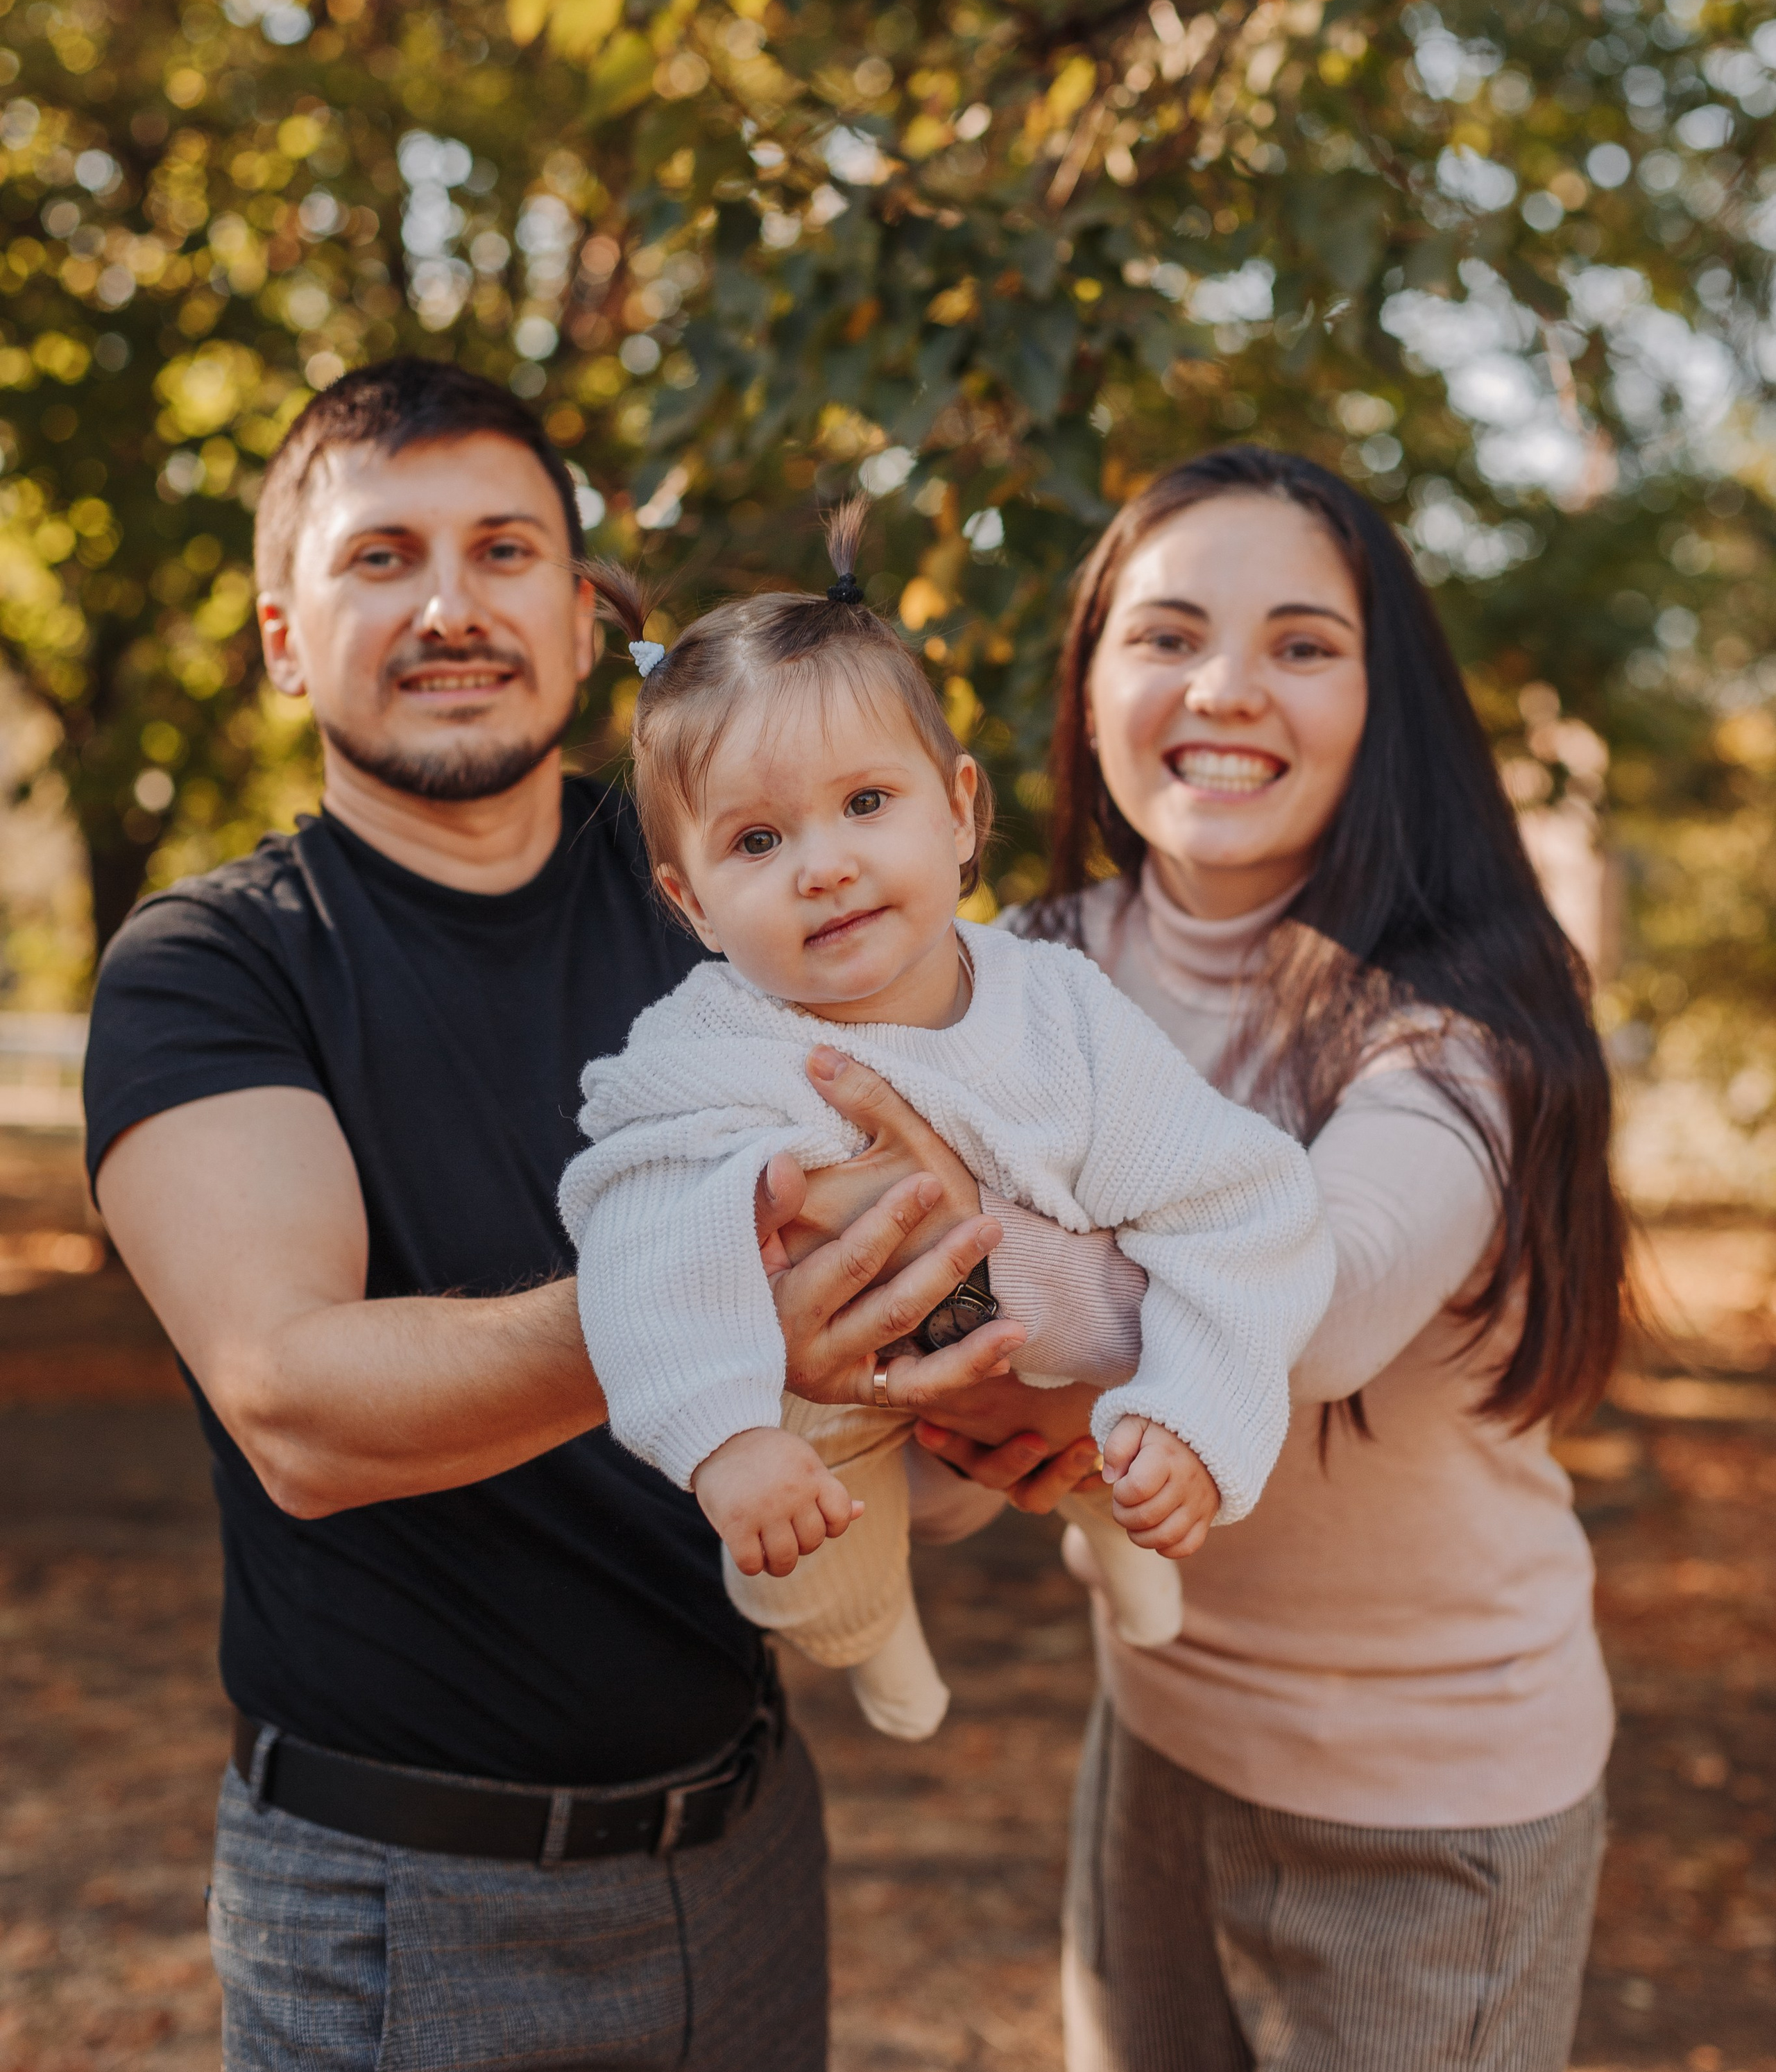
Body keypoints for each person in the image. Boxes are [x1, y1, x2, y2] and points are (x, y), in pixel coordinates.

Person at [82, 358, 1033, 2072]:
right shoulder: (214, 966)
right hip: (408, 1914)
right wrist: (709, 1304)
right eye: (386, 561)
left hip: (748, 1852)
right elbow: (295, 1401)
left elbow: (957, 1182)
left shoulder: (746, 882)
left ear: (588, 621)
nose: (453, 605)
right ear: (288, 638)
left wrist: (1009, 1391)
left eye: (505, 549)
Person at [940, 443, 1622, 2072]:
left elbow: (1303, 1313)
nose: (1225, 687)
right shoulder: (1016, 975)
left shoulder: (1459, 1021)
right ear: (1088, 681)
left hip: (1436, 1806)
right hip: (1157, 1735)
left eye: (1302, 645)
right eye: (1164, 635)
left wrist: (1032, 1286)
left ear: (1379, 703)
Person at [558, 520, 1333, 1740]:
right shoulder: (710, 1056)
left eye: (866, 801)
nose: (825, 866)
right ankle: (876, 1637)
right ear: (690, 901)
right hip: (846, 1382)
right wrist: (719, 1441)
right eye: (758, 842)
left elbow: (1233, 1199)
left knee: (1132, 1394)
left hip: (1072, 1338)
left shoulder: (1057, 1003)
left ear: (961, 811)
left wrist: (1191, 1407)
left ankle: (1122, 1526)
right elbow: (642, 1242)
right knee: (808, 1572)